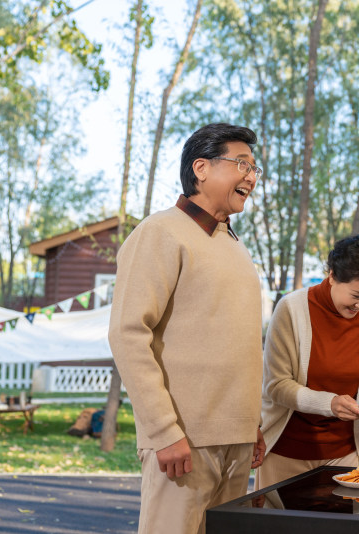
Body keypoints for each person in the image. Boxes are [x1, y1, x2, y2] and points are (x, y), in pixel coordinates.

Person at [108, 123, 266, 534]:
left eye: (254, 168)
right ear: (201, 168)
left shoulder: (233, 245)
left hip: (237, 441)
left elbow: (236, 345)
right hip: (183, 441)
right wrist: (163, 432)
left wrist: (250, 424)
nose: (251, 175)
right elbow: (128, 335)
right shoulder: (159, 232)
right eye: (242, 163)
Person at [255, 234, 359, 489]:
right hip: (285, 451)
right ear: (332, 275)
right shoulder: (291, 309)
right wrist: (328, 403)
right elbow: (276, 386)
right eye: (356, 295)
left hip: (344, 453)